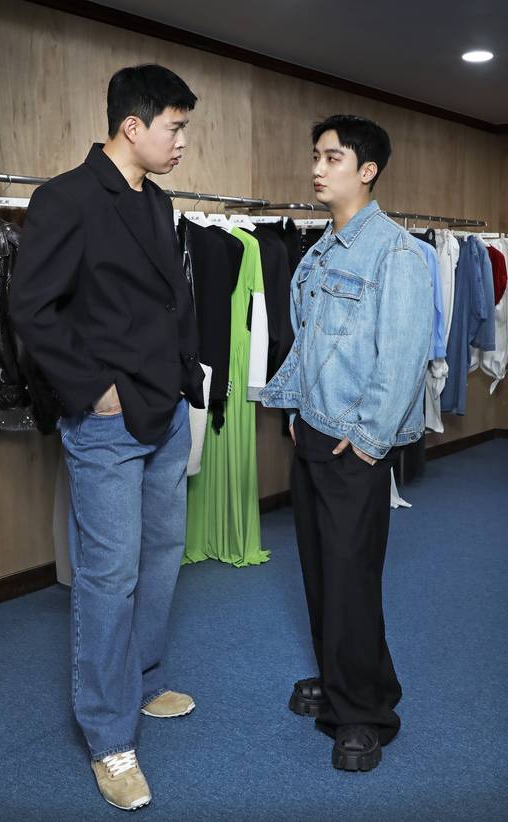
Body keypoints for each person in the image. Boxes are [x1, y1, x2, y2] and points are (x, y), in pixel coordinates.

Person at [10, 64, 204, 810]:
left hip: (164, 411)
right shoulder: (65, 198)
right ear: (132, 126)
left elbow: (172, 303)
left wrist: (189, 379)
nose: (181, 140)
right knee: (107, 576)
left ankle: (142, 680)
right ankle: (108, 736)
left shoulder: (157, 203)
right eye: (174, 127)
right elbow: (31, 308)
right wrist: (94, 392)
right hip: (107, 422)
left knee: (160, 555)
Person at [260, 115, 433, 771]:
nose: (318, 166)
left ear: (368, 171)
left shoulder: (396, 253)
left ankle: (365, 714)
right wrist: (297, 411)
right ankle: (340, 683)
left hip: (353, 446)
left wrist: (366, 440)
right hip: (314, 432)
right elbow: (309, 344)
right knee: (319, 572)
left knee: (352, 580)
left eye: (333, 156)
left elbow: (405, 355)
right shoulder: (318, 251)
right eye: (315, 155)